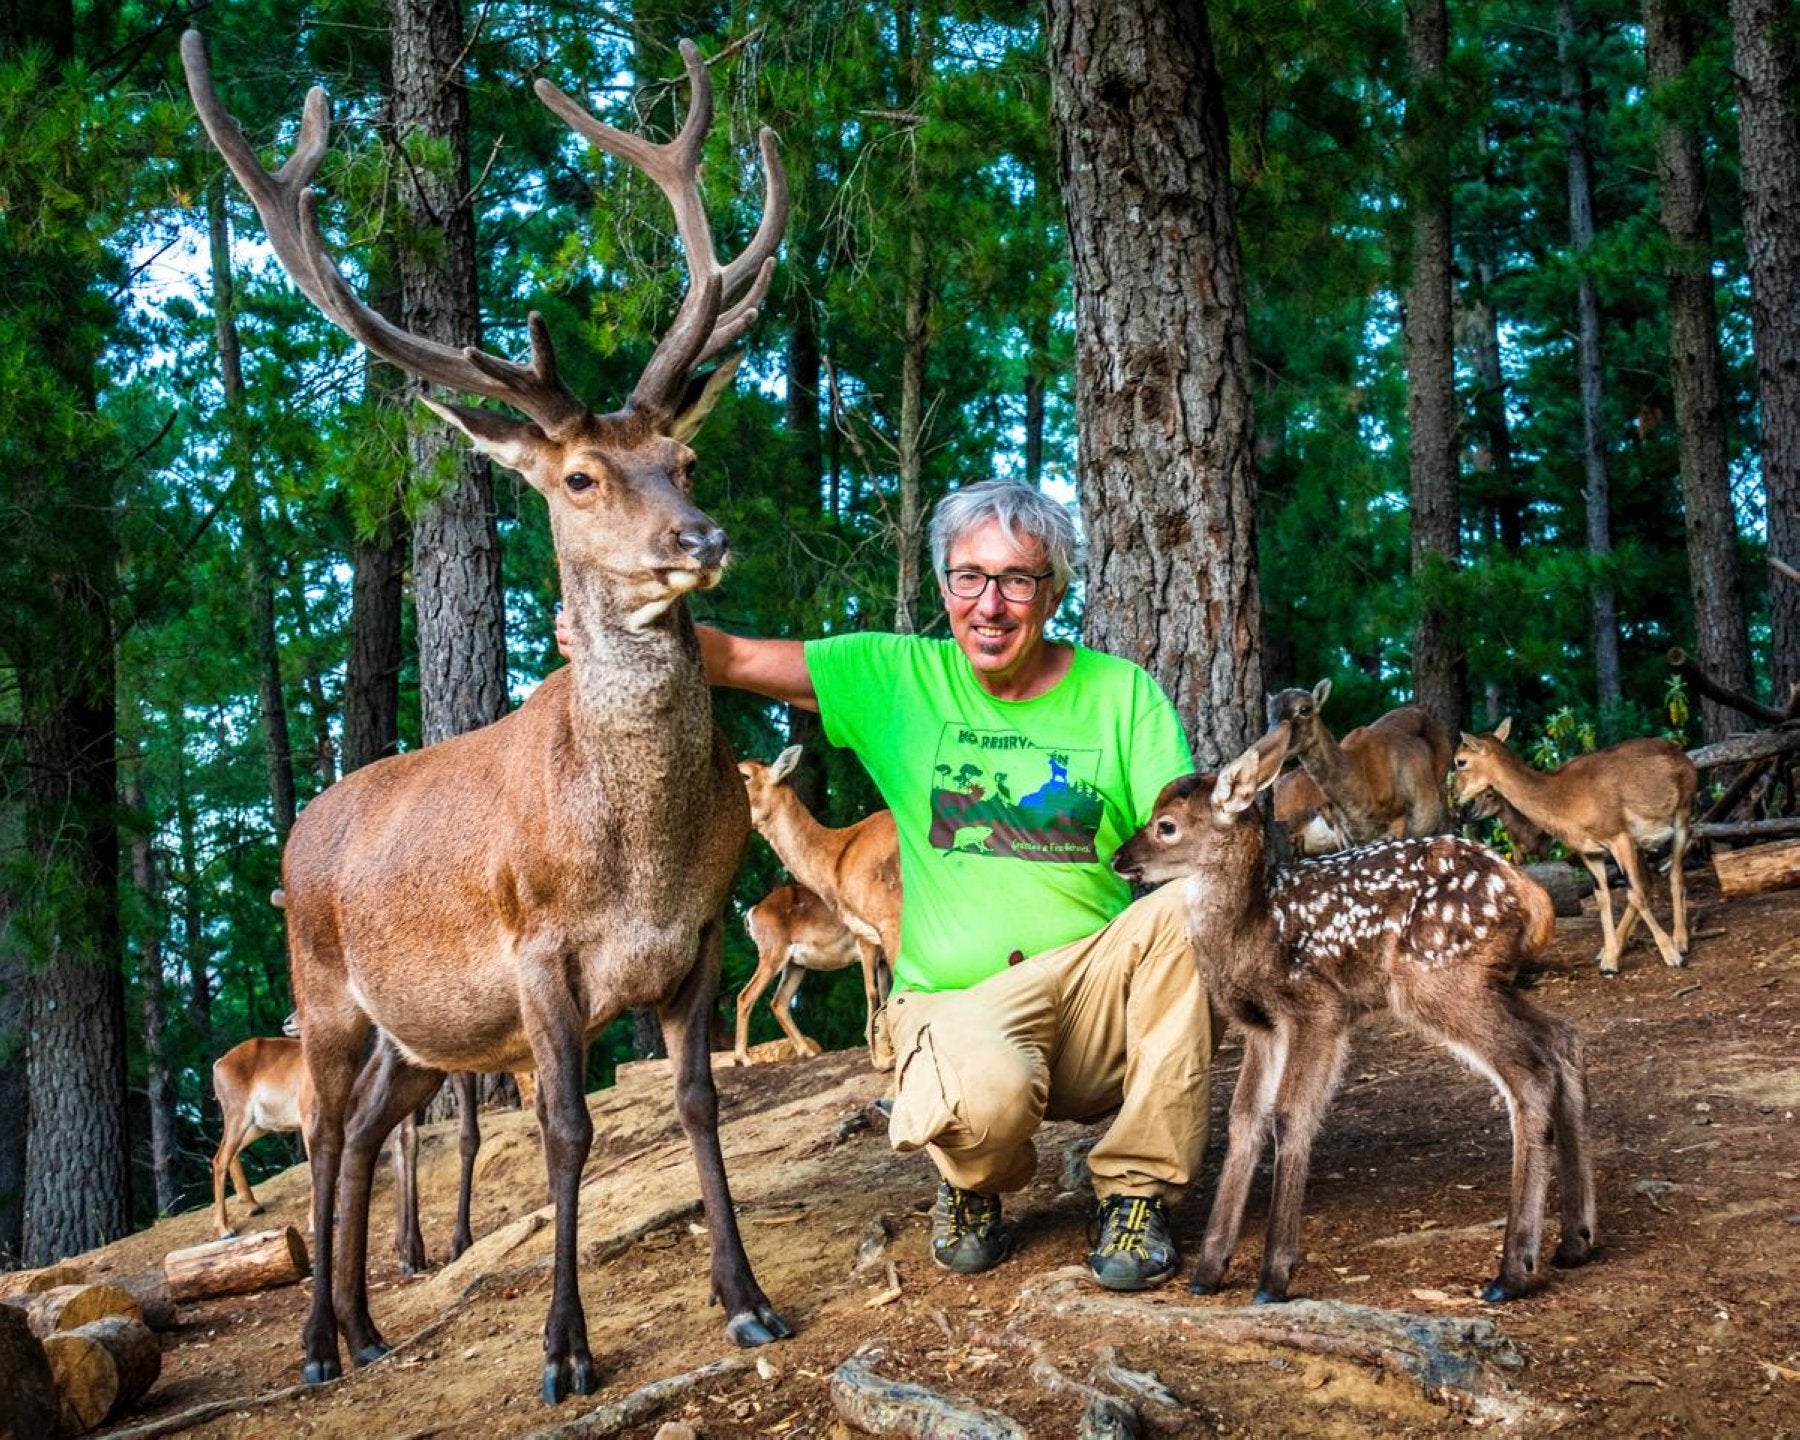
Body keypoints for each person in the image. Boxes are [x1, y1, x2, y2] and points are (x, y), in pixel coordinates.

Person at [566, 479, 1210, 1290]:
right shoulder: (896, 677)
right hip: (961, 1003)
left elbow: (1193, 831)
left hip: (1093, 1000)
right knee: (988, 1095)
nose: (991, 603)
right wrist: (605, 626)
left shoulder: (1123, 696)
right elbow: (724, 655)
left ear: (1054, 592)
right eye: (969, 577)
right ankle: (972, 1184)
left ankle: (1137, 1194)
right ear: (943, 586)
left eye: (1018, 580)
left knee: (1198, 905)